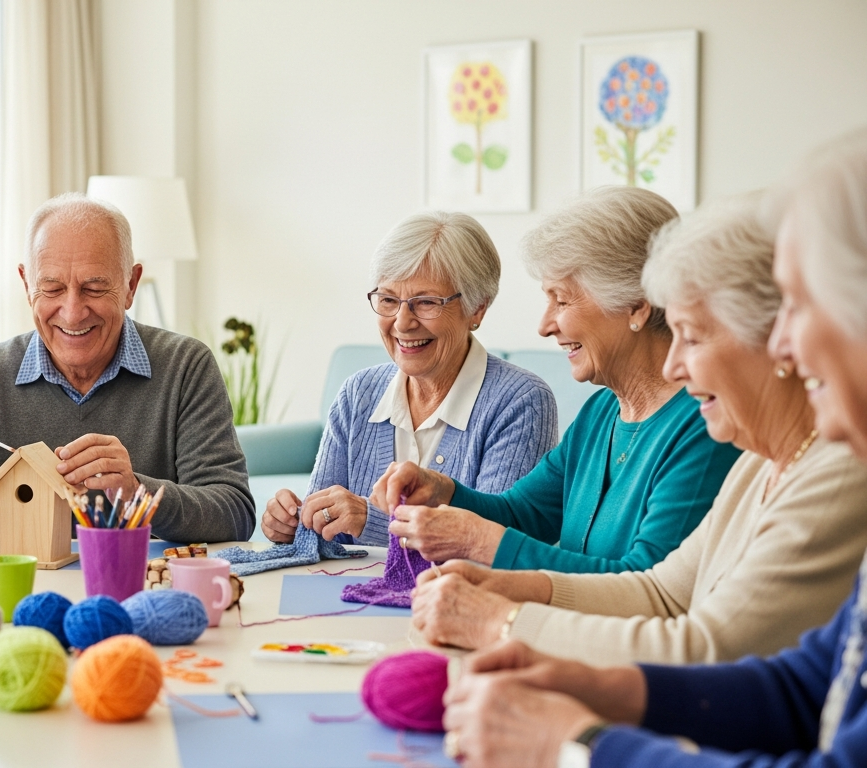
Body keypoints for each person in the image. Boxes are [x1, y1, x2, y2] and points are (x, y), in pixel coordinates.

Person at [438, 128, 867, 768]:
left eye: (800, 308)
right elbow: (794, 680)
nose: (786, 343)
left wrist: (574, 740)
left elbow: (711, 646)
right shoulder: (759, 462)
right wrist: (578, 669)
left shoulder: (833, 471)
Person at [374, 187, 742, 573]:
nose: (545, 326)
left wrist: (480, 542)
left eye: (562, 300)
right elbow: (525, 512)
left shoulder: (704, 425)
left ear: (636, 305)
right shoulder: (601, 413)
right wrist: (442, 491)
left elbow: (648, 584)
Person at [0, 193, 253, 543]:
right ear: (26, 284)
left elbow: (235, 515)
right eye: (51, 289)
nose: (73, 311)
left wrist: (135, 492)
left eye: (94, 288)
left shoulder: (185, 367)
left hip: (141, 591)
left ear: (131, 285)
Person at [261, 211, 557, 547]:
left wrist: (370, 521)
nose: (402, 322)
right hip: (348, 597)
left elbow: (495, 546)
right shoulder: (358, 393)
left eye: (426, 302)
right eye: (388, 300)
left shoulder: (522, 401)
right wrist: (293, 523)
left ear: (477, 309)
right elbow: (319, 533)